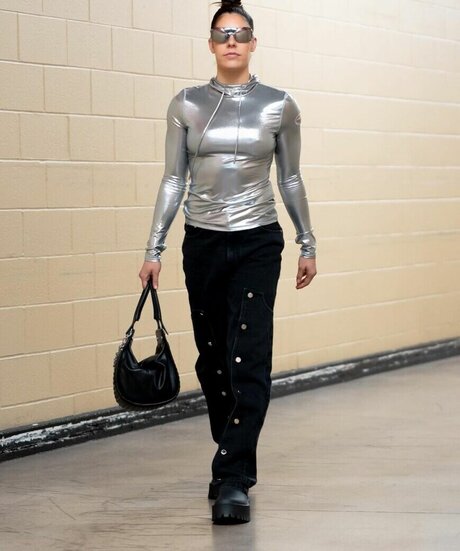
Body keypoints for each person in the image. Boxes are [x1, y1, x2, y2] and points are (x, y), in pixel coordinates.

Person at [138, 0, 317, 524]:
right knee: (213, 358)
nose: (232, 41)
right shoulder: (187, 104)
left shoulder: (279, 105)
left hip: (259, 241)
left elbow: (290, 178)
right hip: (203, 242)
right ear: (212, 44)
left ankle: (234, 477)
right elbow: (173, 178)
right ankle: (230, 452)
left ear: (254, 42)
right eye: (223, 33)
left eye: (240, 33)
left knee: (249, 355)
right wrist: (153, 248)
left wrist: (307, 242)